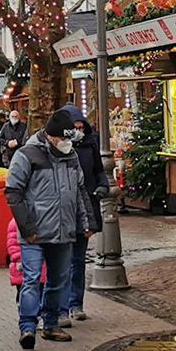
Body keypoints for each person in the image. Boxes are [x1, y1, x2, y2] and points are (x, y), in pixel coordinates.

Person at [4, 111, 89, 351]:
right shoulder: (26, 155)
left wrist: (86, 222)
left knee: (57, 281)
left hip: (63, 231)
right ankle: (28, 327)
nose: (67, 143)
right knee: (31, 279)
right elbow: (13, 193)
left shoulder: (70, 156)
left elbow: (79, 192)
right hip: (34, 233)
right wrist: (26, 228)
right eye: (63, 138)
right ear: (51, 137)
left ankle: (50, 324)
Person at [64, 107, 107, 326]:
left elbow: (98, 170)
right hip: (64, 209)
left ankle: (76, 304)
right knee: (63, 259)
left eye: (81, 127)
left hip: (86, 206)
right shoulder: (59, 148)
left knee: (78, 259)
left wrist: (102, 186)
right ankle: (61, 306)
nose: (79, 131)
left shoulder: (90, 144)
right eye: (75, 128)